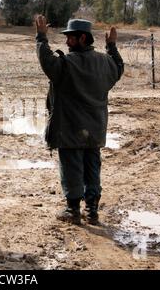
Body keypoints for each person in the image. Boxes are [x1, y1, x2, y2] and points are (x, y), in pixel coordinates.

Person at [35, 16, 124, 225]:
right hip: (95, 129)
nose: (67, 42)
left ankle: (73, 210)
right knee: (92, 166)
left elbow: (47, 62)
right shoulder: (106, 62)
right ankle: (92, 211)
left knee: (71, 167)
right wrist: (111, 46)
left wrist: (41, 37)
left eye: (71, 38)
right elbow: (119, 68)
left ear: (83, 38)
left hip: (70, 128)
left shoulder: (67, 64)